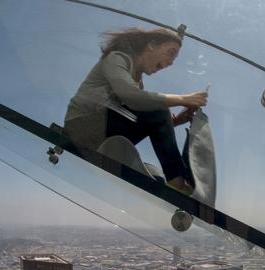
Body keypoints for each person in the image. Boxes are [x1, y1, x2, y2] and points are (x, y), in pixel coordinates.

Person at [64, 27, 207, 195]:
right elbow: (132, 96)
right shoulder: (116, 58)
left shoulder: (136, 78)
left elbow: (148, 121)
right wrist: (183, 99)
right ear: (151, 45)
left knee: (156, 110)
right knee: (156, 107)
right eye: (171, 53)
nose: (170, 62)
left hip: (100, 131)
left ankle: (176, 181)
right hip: (80, 129)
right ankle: (178, 183)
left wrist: (176, 121)